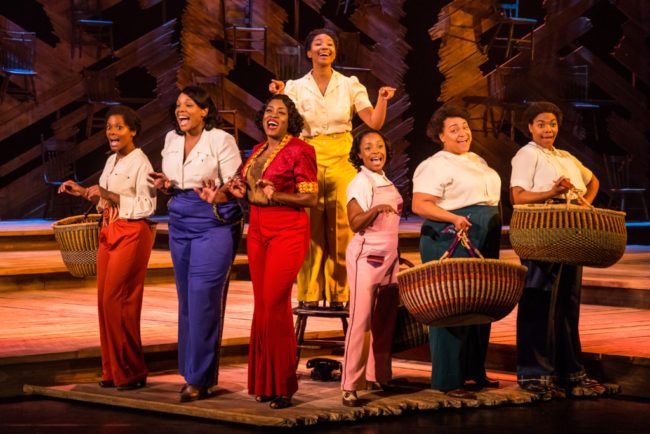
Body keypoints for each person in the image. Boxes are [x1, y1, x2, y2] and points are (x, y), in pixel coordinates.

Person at [196, 94, 317, 409]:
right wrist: (223, 196)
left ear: (290, 119)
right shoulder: (257, 151)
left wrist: (278, 196)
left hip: (288, 230)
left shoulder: (301, 150)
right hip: (258, 230)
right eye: (268, 110)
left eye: (280, 111)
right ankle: (265, 382)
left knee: (276, 303)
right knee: (262, 305)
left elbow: (310, 200)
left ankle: (284, 385)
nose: (272, 115)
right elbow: (247, 193)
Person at [269, 28, 396, 308]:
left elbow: (373, 122)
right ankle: (310, 294)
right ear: (309, 52)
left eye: (329, 44)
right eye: (318, 44)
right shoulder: (294, 87)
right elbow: (280, 123)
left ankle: (341, 294)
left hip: (341, 156)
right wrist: (278, 97)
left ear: (334, 52)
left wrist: (383, 99)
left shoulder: (351, 84)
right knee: (310, 227)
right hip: (307, 155)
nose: (325, 47)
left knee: (343, 227)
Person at [148, 86, 243, 402]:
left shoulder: (221, 139)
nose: (181, 109)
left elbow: (234, 184)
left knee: (204, 297)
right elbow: (175, 182)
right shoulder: (171, 139)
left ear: (205, 110)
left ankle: (201, 378)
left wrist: (221, 193)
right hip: (179, 217)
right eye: (178, 105)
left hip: (212, 220)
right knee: (187, 300)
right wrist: (165, 185)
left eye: (189, 104)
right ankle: (191, 373)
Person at [58, 105, 156, 391]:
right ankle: (113, 370)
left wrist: (108, 195)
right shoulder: (112, 160)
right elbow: (105, 200)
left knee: (120, 301)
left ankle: (132, 371)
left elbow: (147, 206)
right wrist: (84, 192)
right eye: (109, 127)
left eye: (119, 127)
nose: (112, 132)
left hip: (131, 232)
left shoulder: (142, 163)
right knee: (104, 302)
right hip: (108, 229)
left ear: (133, 131)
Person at [510, 101, 603, 398]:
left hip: (571, 229)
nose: (547, 129)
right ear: (529, 127)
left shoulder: (564, 155)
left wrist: (583, 204)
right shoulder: (526, 155)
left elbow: (593, 181)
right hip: (542, 229)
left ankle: (570, 373)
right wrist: (553, 192)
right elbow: (518, 197)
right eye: (540, 123)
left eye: (551, 123)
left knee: (567, 303)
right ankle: (534, 374)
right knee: (539, 302)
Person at [411, 105, 501, 399]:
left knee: (480, 303)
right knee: (451, 306)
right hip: (452, 235)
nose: (463, 133)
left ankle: (474, 371)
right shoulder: (435, 164)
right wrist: (453, 219)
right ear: (440, 136)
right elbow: (420, 204)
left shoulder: (477, 159)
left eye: (465, 126)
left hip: (484, 232)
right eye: (454, 129)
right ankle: (449, 379)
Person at [340, 129, 401, 407]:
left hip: (390, 256)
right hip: (368, 256)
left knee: (385, 320)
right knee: (361, 320)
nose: (376, 150)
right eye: (368, 147)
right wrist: (375, 211)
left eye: (380, 145)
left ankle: (380, 376)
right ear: (359, 154)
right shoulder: (360, 182)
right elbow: (355, 222)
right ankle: (350, 385)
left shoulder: (384, 179)